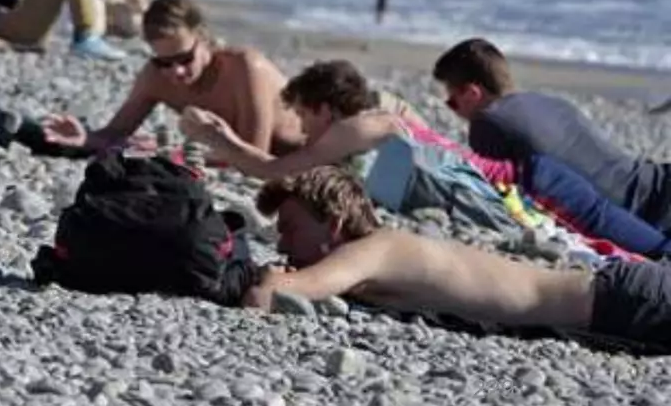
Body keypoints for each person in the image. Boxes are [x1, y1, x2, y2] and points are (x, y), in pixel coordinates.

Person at [183, 60, 671, 260]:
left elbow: (277, 170)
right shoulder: (389, 115)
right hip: (528, 183)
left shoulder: (360, 129)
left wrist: (221, 140)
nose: (305, 131)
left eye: (306, 117)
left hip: (531, 187)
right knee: (625, 241)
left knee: (641, 248)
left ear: (326, 108)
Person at [244, 167, 671, 353]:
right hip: (618, 297)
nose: (281, 246)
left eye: (290, 229)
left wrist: (258, 282)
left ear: (334, 223)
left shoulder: (372, 250)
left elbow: (287, 289)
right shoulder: (383, 249)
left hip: (624, 300)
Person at [434, 38, 671, 234]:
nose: (454, 110)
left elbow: (497, 200)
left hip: (651, 216)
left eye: (452, 101)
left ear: (473, 93)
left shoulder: (489, 123)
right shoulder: (552, 103)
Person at [41, 0, 305, 157]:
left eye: (184, 59)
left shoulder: (245, 68)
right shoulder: (155, 77)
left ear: (202, 37)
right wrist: (85, 138)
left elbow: (254, 153)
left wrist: (163, 152)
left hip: (325, 150)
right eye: (163, 61)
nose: (175, 71)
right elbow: (116, 133)